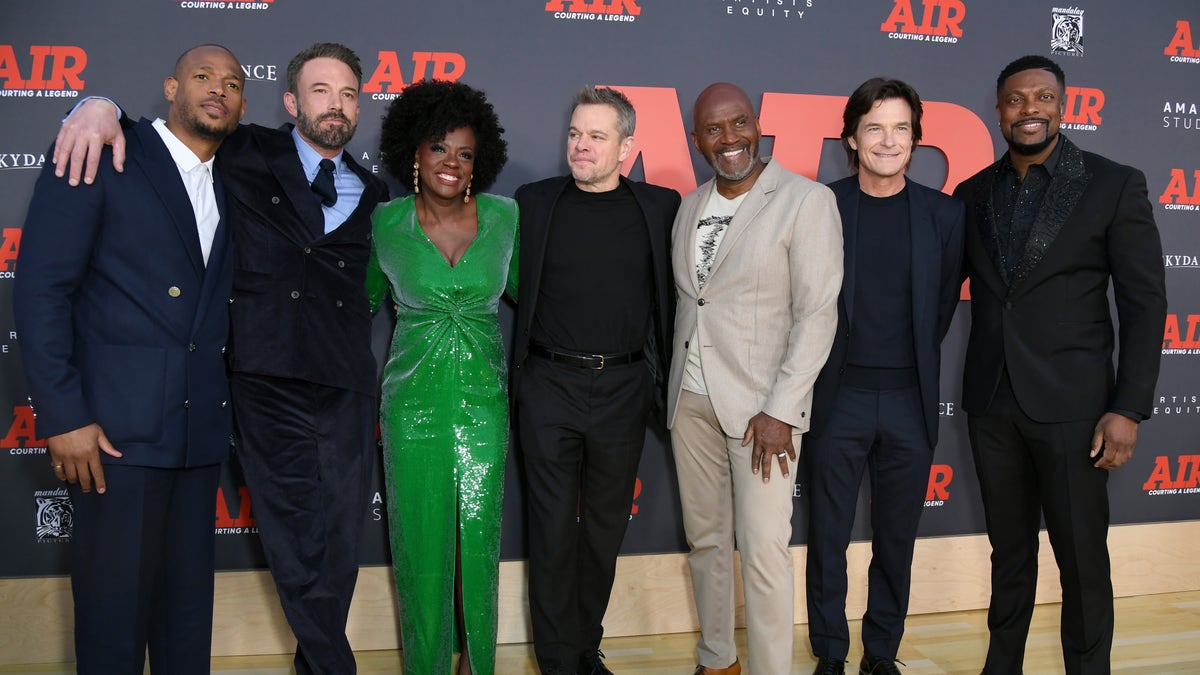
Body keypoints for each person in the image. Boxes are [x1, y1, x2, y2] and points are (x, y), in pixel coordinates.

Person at [56, 43, 390, 675]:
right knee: (292, 540)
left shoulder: (377, 191)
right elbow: (172, 134)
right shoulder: (243, 152)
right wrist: (95, 104)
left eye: (348, 93)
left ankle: (315, 662)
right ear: (291, 103)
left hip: (345, 381)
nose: (335, 105)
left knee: (340, 542)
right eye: (320, 91)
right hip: (264, 377)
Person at [14, 44, 244, 674]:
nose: (217, 89)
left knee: (185, 628)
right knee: (113, 629)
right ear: (170, 87)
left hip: (197, 440)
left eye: (232, 83)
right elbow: (40, 288)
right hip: (114, 440)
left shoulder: (242, 173)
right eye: (203, 77)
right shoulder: (103, 151)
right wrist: (62, 415)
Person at [953, 55, 1167, 675]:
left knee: (1080, 558)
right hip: (991, 405)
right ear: (999, 111)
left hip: (1076, 411)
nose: (1029, 110)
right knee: (1008, 556)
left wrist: (1128, 407)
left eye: (1042, 97)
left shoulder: (1112, 184)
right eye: (1016, 100)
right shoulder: (973, 194)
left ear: (1063, 104)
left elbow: (1145, 302)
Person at [668, 82, 843, 675]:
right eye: (713, 130)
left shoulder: (805, 200)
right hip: (690, 401)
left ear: (757, 123)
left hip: (762, 413)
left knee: (764, 550)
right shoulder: (689, 206)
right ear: (697, 140)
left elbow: (817, 314)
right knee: (707, 542)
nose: (729, 139)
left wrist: (783, 410)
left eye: (738, 123)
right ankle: (717, 660)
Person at [512, 86, 679, 675]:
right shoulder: (532, 203)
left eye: (597, 136)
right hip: (547, 385)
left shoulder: (661, 208)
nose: (580, 147)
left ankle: (585, 647)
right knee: (552, 531)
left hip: (624, 388)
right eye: (575, 134)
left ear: (627, 147)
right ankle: (557, 660)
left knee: (604, 529)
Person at [804, 78, 965, 675]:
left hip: (909, 400)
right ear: (852, 137)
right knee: (828, 537)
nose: (888, 140)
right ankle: (829, 652)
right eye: (874, 127)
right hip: (836, 396)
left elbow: (941, 307)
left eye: (901, 128)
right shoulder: (821, 204)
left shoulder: (944, 215)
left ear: (916, 139)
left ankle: (882, 654)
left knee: (896, 539)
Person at [366, 79, 516, 675]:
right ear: (414, 154)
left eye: (464, 153)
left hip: (485, 402)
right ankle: (425, 665)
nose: (450, 163)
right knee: (421, 544)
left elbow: (539, 302)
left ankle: (476, 664)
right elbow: (358, 306)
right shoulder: (384, 223)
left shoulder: (507, 218)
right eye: (438, 148)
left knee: (478, 541)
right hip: (412, 406)